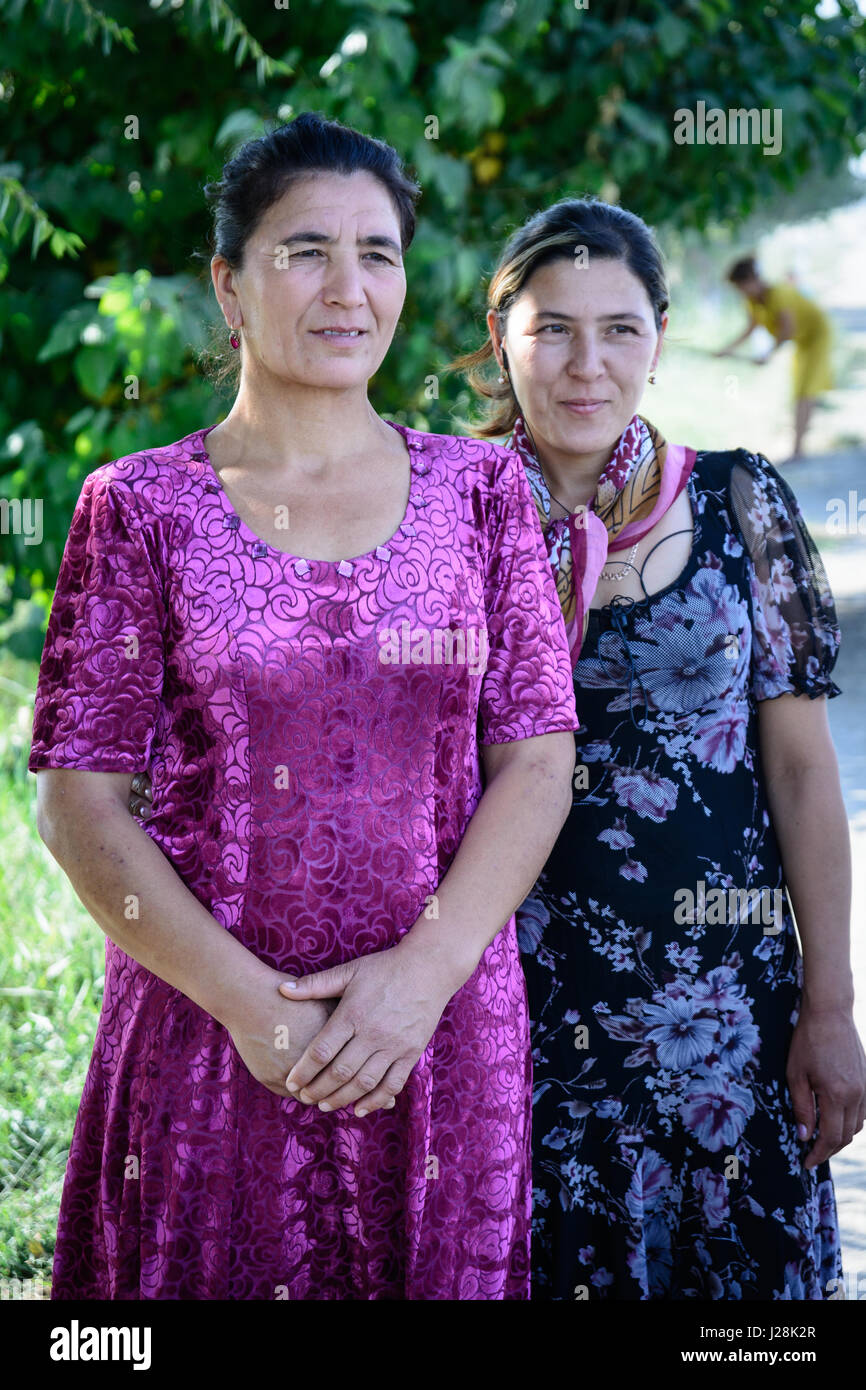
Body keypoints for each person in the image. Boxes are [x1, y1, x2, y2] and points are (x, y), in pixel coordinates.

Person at [27, 113, 581, 1301]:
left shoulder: (480, 491)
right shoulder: (138, 508)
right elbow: (79, 804)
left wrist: (422, 975)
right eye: (304, 251)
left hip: (439, 1031)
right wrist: (251, 1009)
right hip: (209, 1030)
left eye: (376, 253)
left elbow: (536, 762)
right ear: (227, 281)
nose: (347, 288)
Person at [448, 198, 866, 1299]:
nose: (587, 364)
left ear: (659, 338)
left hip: (724, 1013)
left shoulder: (740, 499)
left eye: (619, 328)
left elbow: (799, 769)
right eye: (552, 329)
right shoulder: (445, 516)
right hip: (515, 1008)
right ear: (501, 337)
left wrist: (828, 1005)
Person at [715, 255, 834, 462]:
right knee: (800, 389)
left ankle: (798, 450)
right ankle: (799, 447)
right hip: (802, 340)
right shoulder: (752, 301)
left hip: (816, 335)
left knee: (805, 391)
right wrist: (726, 349)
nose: (740, 292)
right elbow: (751, 327)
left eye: (742, 286)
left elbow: (788, 330)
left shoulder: (780, 294)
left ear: (752, 280)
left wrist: (767, 355)